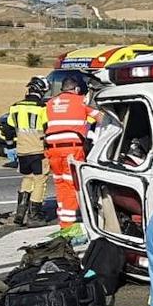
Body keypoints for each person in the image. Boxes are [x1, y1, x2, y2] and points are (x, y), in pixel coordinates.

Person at [43, 76, 100, 231]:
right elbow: (102, 118)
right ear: (76, 89)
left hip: (53, 149)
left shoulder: (50, 103)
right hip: (72, 148)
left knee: (60, 184)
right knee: (73, 184)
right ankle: (72, 223)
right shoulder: (81, 101)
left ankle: (64, 222)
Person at [7, 76, 51, 226]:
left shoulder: (15, 107)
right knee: (40, 181)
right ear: (42, 90)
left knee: (27, 178)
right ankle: (34, 215)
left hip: (22, 151)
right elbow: (48, 128)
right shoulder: (42, 108)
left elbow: (9, 126)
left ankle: (20, 212)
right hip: (38, 150)